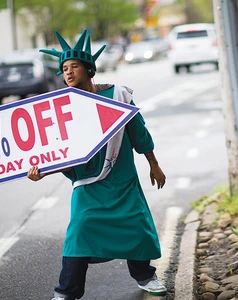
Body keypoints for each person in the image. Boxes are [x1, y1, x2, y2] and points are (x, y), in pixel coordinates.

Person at [27, 29, 167, 300]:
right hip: (88, 185)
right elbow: (57, 151)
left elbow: (139, 133)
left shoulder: (119, 96)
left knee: (136, 227)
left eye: (74, 66)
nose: (68, 73)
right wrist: (41, 171)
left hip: (122, 179)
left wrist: (154, 164)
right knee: (80, 230)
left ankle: (146, 276)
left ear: (89, 69)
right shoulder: (60, 108)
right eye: (64, 68)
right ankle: (66, 292)